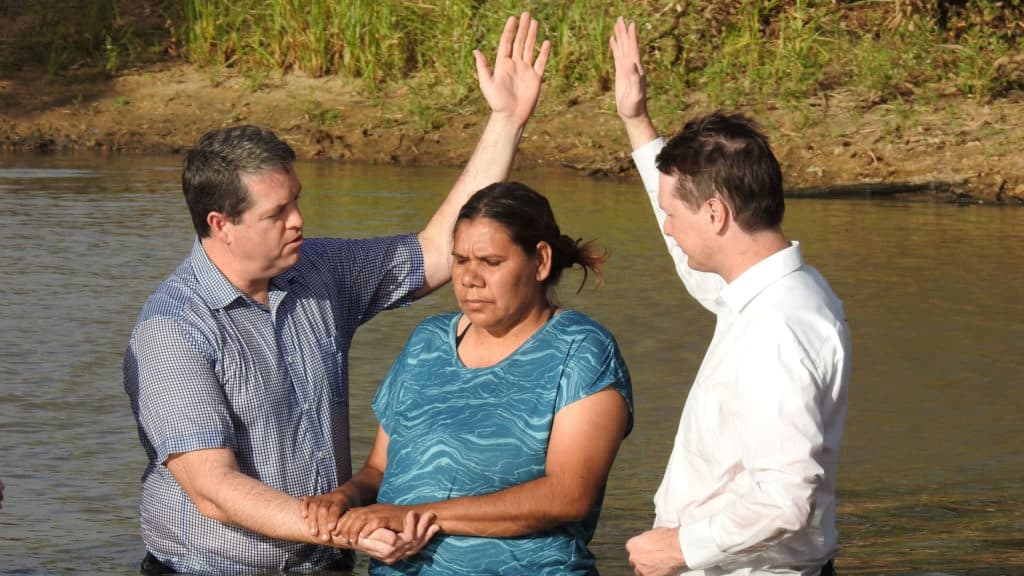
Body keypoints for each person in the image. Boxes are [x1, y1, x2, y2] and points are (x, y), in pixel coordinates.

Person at [122, 13, 551, 575]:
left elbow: (436, 252)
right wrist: (349, 529)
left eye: (296, 200)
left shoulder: (318, 271)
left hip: (327, 562)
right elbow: (213, 489)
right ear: (220, 223)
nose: (300, 220)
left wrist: (506, 121)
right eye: (278, 213)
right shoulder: (172, 330)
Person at [610, 17, 851, 576]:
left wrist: (678, 548)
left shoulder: (777, 328)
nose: (667, 229)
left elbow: (784, 497)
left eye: (674, 216)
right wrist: (637, 123)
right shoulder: (776, 292)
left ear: (716, 214)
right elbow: (697, 266)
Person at [299, 181, 634, 575]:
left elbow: (567, 496)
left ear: (541, 261)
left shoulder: (581, 349)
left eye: (491, 262)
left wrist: (412, 515)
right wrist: (343, 498)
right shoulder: (427, 340)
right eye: (460, 261)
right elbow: (379, 469)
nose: (470, 279)